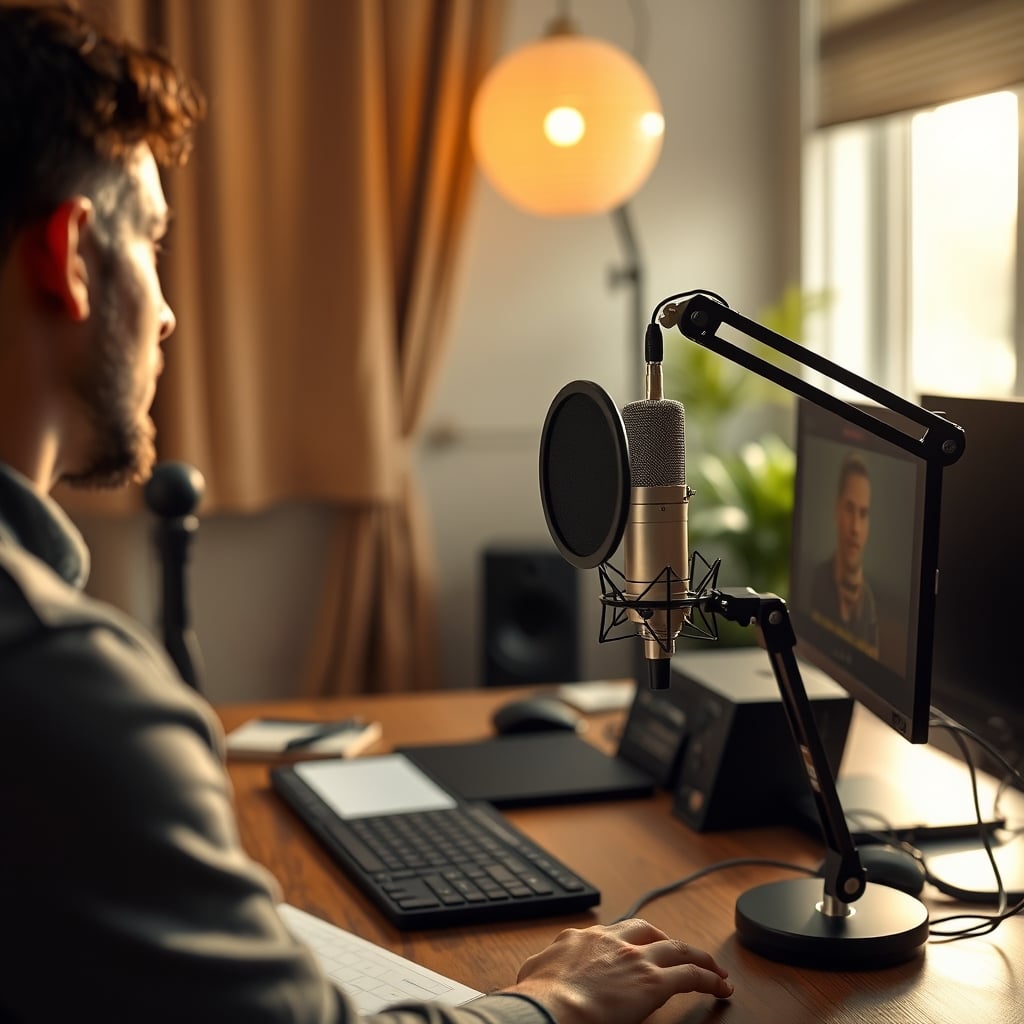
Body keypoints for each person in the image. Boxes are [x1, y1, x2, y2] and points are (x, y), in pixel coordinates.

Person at [0, 4, 733, 1021]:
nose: (167, 310)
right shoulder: (62, 688)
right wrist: (557, 999)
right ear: (71, 256)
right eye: (154, 243)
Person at [809, 450, 880, 658]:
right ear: (836, 510)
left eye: (864, 513)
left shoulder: (869, 602)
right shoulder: (819, 578)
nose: (856, 528)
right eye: (849, 509)